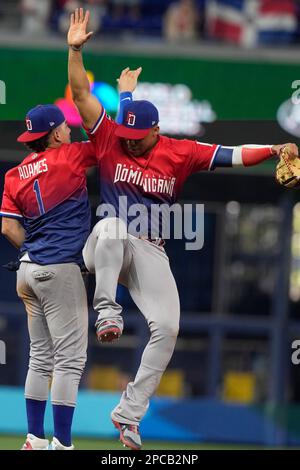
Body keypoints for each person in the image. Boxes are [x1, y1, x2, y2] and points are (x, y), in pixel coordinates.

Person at [67, 8, 299, 450]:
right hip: (106, 242)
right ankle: (108, 310)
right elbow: (80, 95)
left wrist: (272, 147)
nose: (130, 139)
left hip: (151, 248)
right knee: (113, 224)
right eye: (126, 131)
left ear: (156, 130)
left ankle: (129, 416)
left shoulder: (180, 151)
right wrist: (75, 50)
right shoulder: (112, 135)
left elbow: (231, 153)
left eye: (138, 134)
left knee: (168, 327)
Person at [0, 64, 137, 450]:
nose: (70, 128)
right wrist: (125, 98)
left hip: (27, 271)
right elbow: (113, 140)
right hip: (61, 270)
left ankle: (32, 437)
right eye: (64, 125)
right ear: (55, 133)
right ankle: (61, 442)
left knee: (39, 358)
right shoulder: (72, 156)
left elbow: (9, 229)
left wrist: (34, 251)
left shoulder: (13, 175)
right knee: (70, 361)